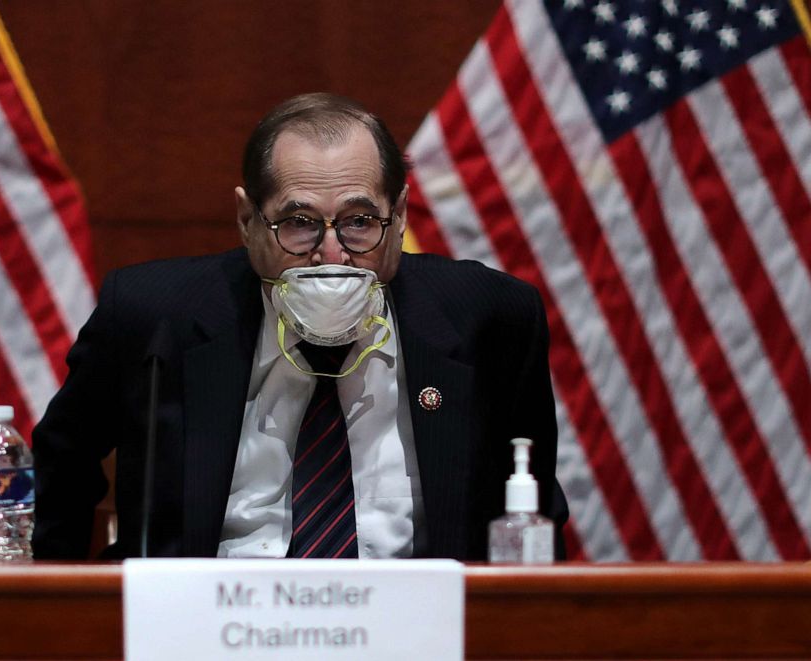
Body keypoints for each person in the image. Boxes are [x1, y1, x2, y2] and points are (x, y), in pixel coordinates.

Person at [32, 92, 568, 560]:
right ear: (247, 221)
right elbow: (61, 467)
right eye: (300, 223)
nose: (330, 254)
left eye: (360, 222)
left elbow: (536, 509)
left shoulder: (491, 319)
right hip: (205, 629)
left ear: (399, 216)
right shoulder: (151, 316)